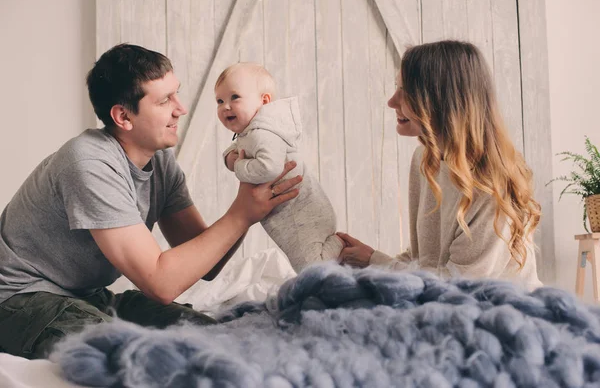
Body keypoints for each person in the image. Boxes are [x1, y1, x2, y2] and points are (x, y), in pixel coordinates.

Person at [0, 44, 301, 359]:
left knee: (217, 337)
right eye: (164, 100)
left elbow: (207, 263)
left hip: (88, 297)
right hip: (19, 300)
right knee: (148, 356)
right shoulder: (88, 161)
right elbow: (161, 282)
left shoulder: (160, 162)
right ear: (123, 116)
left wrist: (249, 198)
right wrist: (241, 214)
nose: (180, 109)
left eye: (176, 94)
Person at [338, 40, 543, 291]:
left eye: (406, 92)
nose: (392, 102)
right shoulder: (424, 159)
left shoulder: (490, 184)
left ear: (441, 99)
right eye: (397, 88)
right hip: (451, 307)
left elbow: (458, 285)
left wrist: (375, 262)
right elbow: (425, 261)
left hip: (507, 313)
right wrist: (370, 260)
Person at [215, 63, 344, 272]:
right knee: (305, 265)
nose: (225, 106)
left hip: (302, 214)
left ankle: (339, 246)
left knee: (310, 268)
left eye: (234, 97)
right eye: (220, 101)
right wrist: (231, 158)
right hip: (295, 213)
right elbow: (238, 147)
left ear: (264, 101)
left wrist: (238, 165)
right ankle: (334, 258)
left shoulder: (263, 134)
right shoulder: (252, 132)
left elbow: (269, 168)